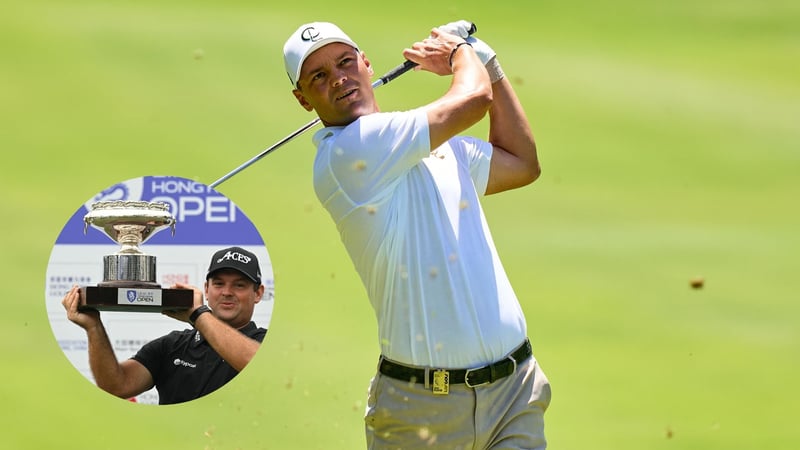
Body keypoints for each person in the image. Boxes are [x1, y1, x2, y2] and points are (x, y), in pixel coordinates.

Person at [283, 20, 551, 449]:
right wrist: (459, 53)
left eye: (345, 62)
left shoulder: (426, 143)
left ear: (366, 64)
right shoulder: (350, 153)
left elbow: (520, 162)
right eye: (319, 76)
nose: (339, 79)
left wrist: (487, 62)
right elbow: (473, 99)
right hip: (421, 410)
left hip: (514, 392)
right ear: (303, 99)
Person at [61, 246, 267, 405]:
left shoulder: (265, 342)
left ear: (258, 293)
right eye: (218, 284)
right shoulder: (171, 345)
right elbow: (116, 385)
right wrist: (94, 328)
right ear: (206, 288)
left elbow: (253, 363)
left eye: (239, 285)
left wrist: (198, 315)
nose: (227, 292)